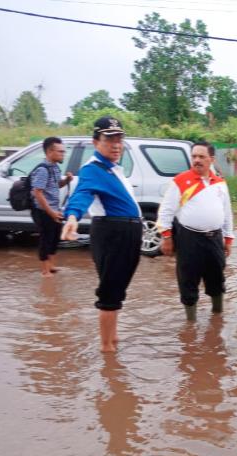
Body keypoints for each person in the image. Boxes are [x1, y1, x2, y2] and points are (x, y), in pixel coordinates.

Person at [61, 116, 142, 353]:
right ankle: (107, 351)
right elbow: (82, 194)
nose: (116, 144)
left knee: (117, 288)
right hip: (113, 234)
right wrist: (73, 217)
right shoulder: (92, 170)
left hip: (125, 233)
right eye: (109, 139)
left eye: (119, 138)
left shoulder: (113, 169)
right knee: (109, 291)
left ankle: (113, 337)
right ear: (95, 142)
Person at [157, 141, 234, 321]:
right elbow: (166, 211)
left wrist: (228, 238)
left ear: (211, 159)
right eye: (194, 156)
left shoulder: (220, 183)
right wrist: (167, 237)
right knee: (188, 280)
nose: (197, 160)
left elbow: (227, 212)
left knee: (216, 279)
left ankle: (217, 317)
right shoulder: (180, 181)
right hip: (189, 240)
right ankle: (190, 324)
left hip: (214, 239)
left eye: (201, 156)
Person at [30, 137, 73, 277]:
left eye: (63, 152)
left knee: (54, 238)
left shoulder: (54, 167)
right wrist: (51, 212)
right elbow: (37, 192)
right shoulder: (43, 169)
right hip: (43, 211)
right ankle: (45, 270)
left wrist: (66, 180)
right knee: (46, 239)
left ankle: (51, 265)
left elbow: (56, 185)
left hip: (54, 210)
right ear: (49, 152)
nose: (63, 154)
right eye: (60, 152)